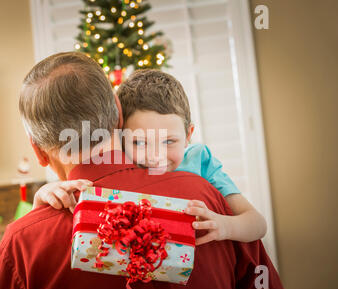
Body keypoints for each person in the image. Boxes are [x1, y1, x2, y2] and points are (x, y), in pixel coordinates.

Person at [0, 52, 286, 289]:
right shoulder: (209, 202)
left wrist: (34, 227)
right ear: (118, 109)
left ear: (38, 151)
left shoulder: (23, 242)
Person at [34, 69, 267, 246]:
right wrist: (46, 191)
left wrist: (226, 227)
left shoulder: (200, 161)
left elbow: (257, 223)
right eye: (140, 142)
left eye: (169, 141)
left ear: (188, 135)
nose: (155, 156)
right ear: (119, 135)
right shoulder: (117, 163)